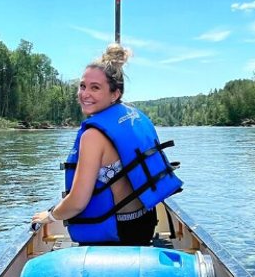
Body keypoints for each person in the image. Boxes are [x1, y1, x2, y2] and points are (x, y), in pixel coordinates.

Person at [31, 44, 182, 245]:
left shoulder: (93, 136)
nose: (85, 94)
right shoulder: (133, 118)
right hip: (145, 222)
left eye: (95, 88)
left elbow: (77, 202)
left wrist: (49, 216)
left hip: (118, 234)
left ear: (115, 94)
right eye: (83, 86)